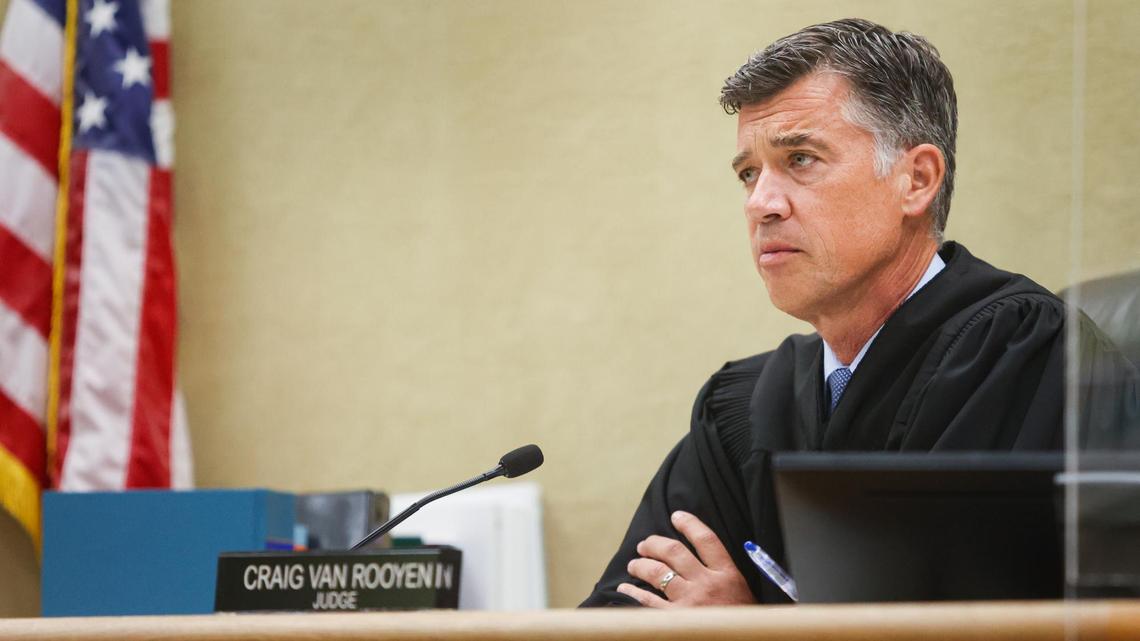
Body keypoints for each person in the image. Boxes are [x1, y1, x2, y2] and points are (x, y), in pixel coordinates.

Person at [581, 18, 1138, 608]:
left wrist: (749, 629)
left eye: (800, 159)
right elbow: (617, 614)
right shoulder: (744, 405)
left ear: (915, 180)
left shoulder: (1021, 351)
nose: (761, 203)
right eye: (749, 173)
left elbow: (960, 623)